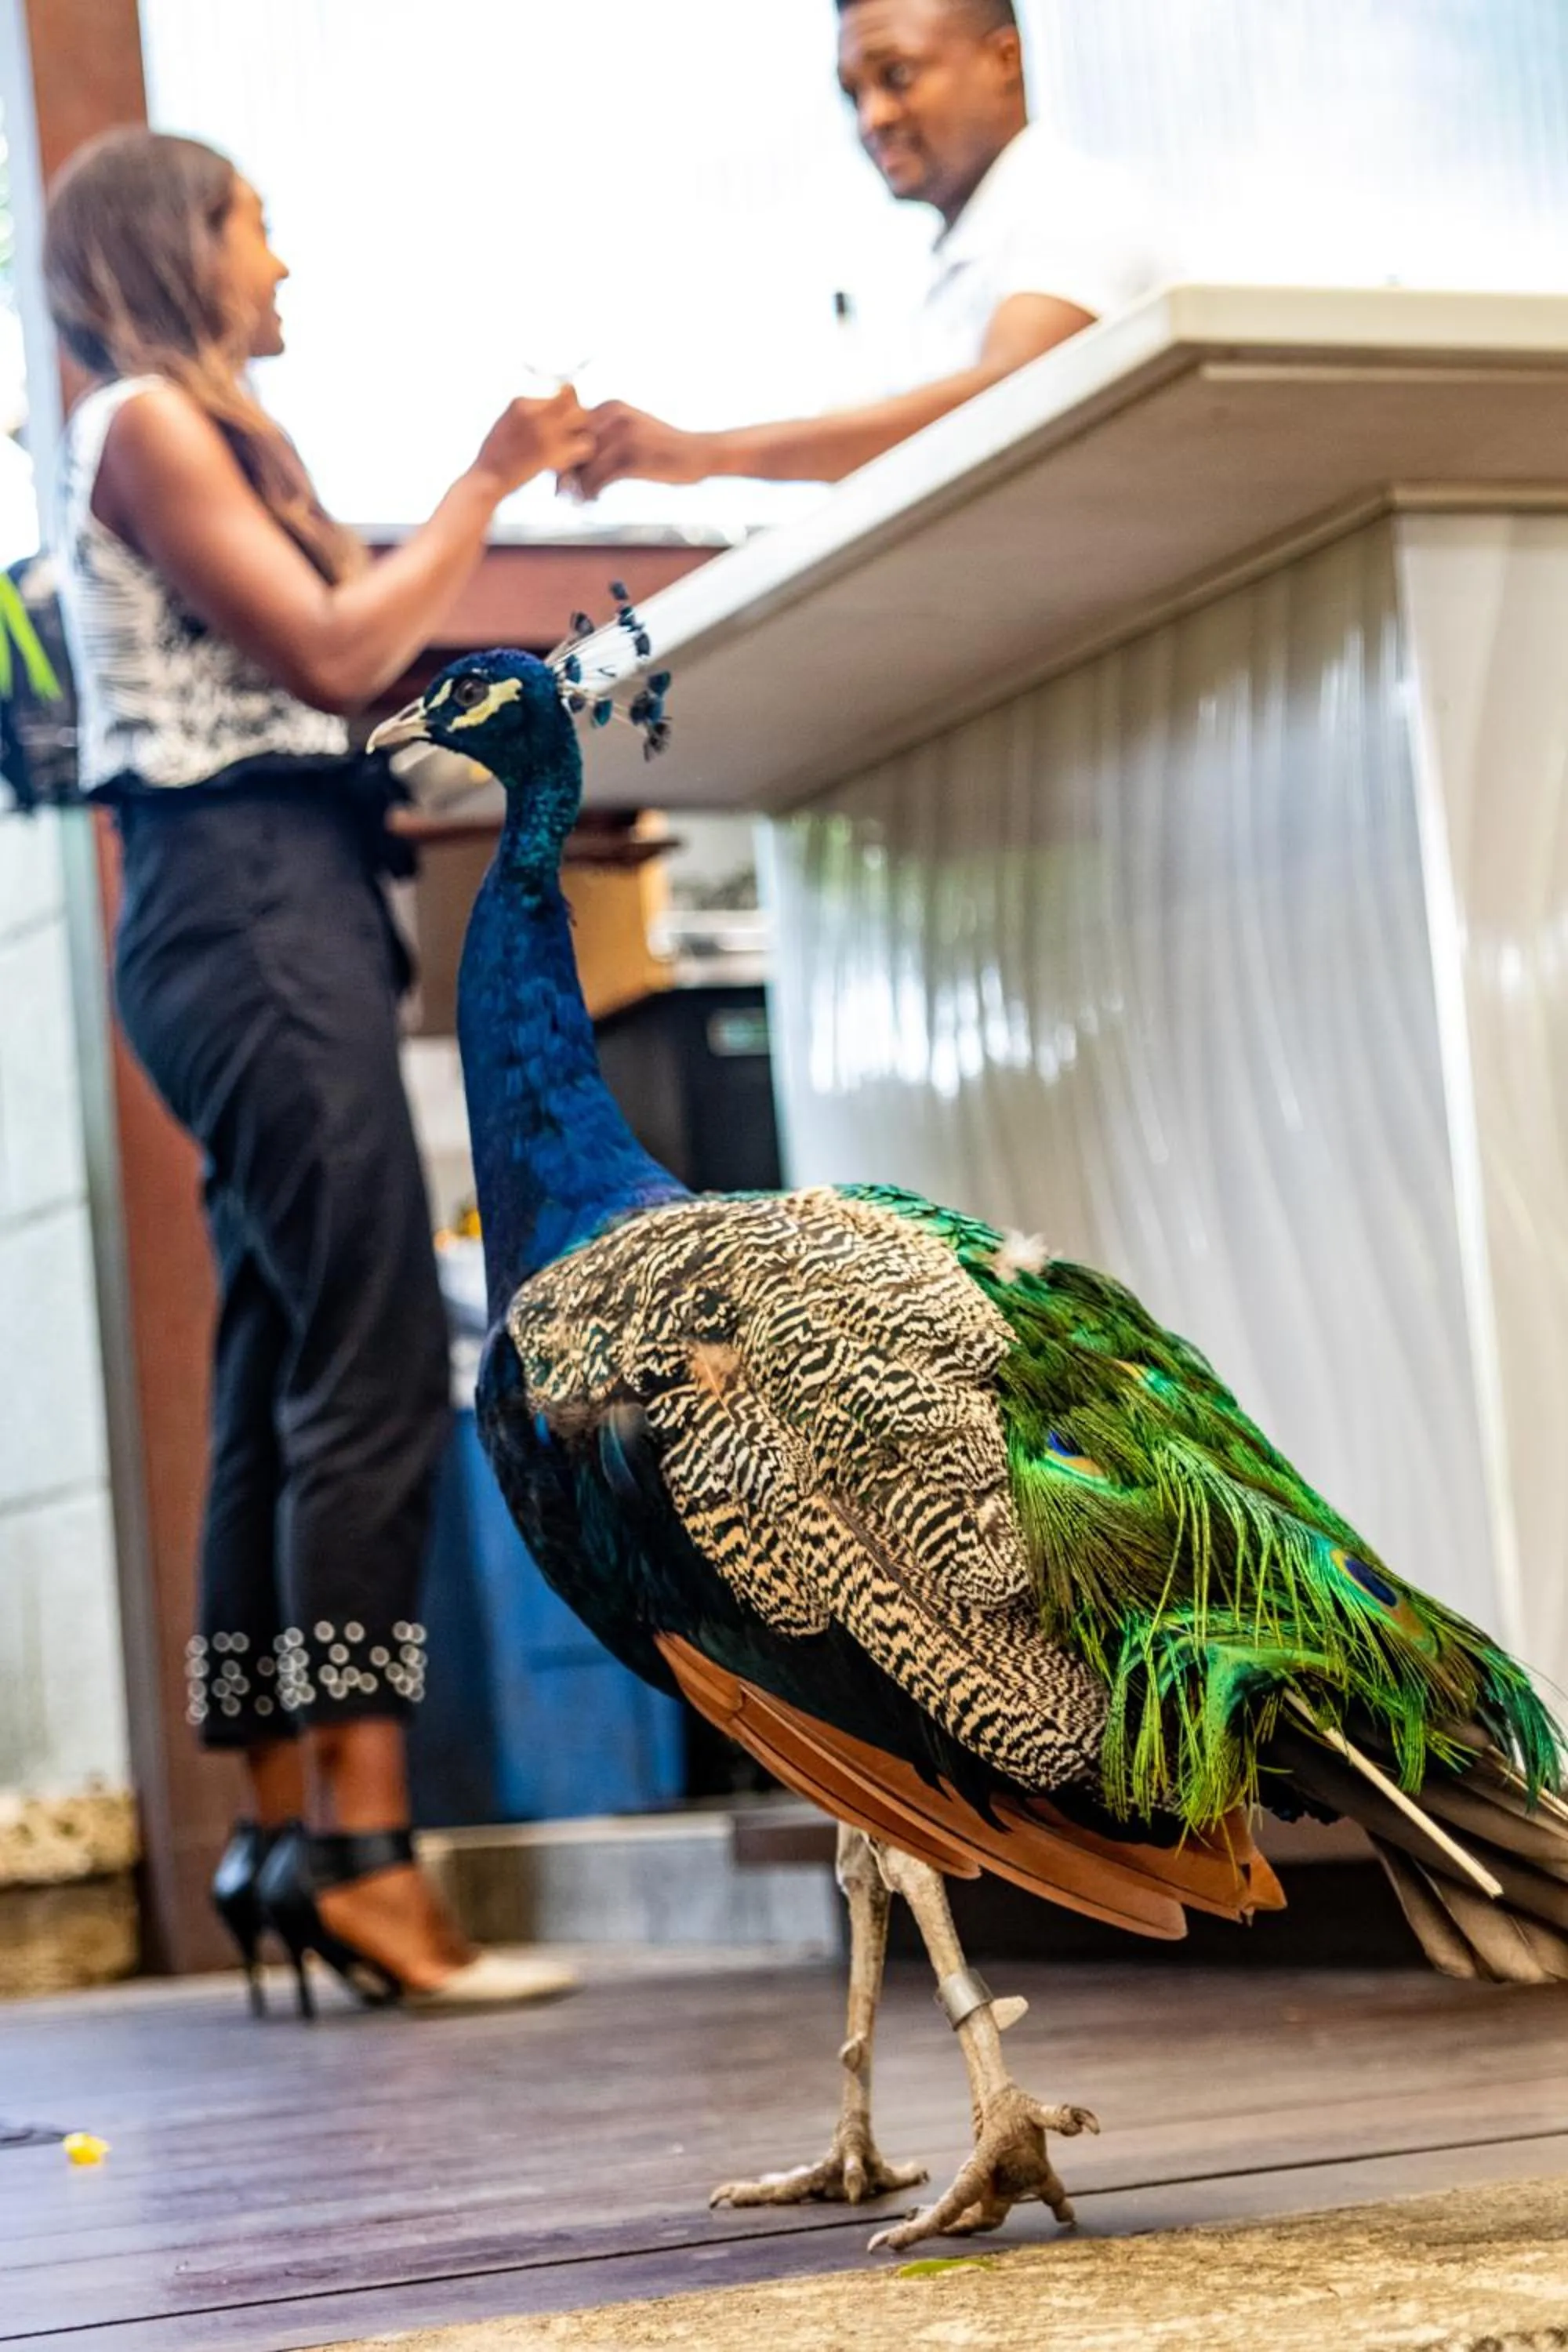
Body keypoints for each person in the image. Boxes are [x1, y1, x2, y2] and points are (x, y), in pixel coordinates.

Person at [44, 128, 590, 2013]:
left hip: (260, 899)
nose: (285, 267)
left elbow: (326, 708)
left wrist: (529, 813)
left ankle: (282, 1819)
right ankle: (371, 1849)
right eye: (259, 231)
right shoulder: (140, 426)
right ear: (178, 247)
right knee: (361, 1355)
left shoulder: (197, 442)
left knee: (284, 1358)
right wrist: (490, 477)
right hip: (251, 920)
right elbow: (355, 655)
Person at [577, 0, 1163, 498]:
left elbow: (1007, 396)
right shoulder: (945, 269)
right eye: (852, 92)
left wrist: (707, 455)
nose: (872, 118)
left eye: (897, 76)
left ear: (1003, 59)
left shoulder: (1079, 203)